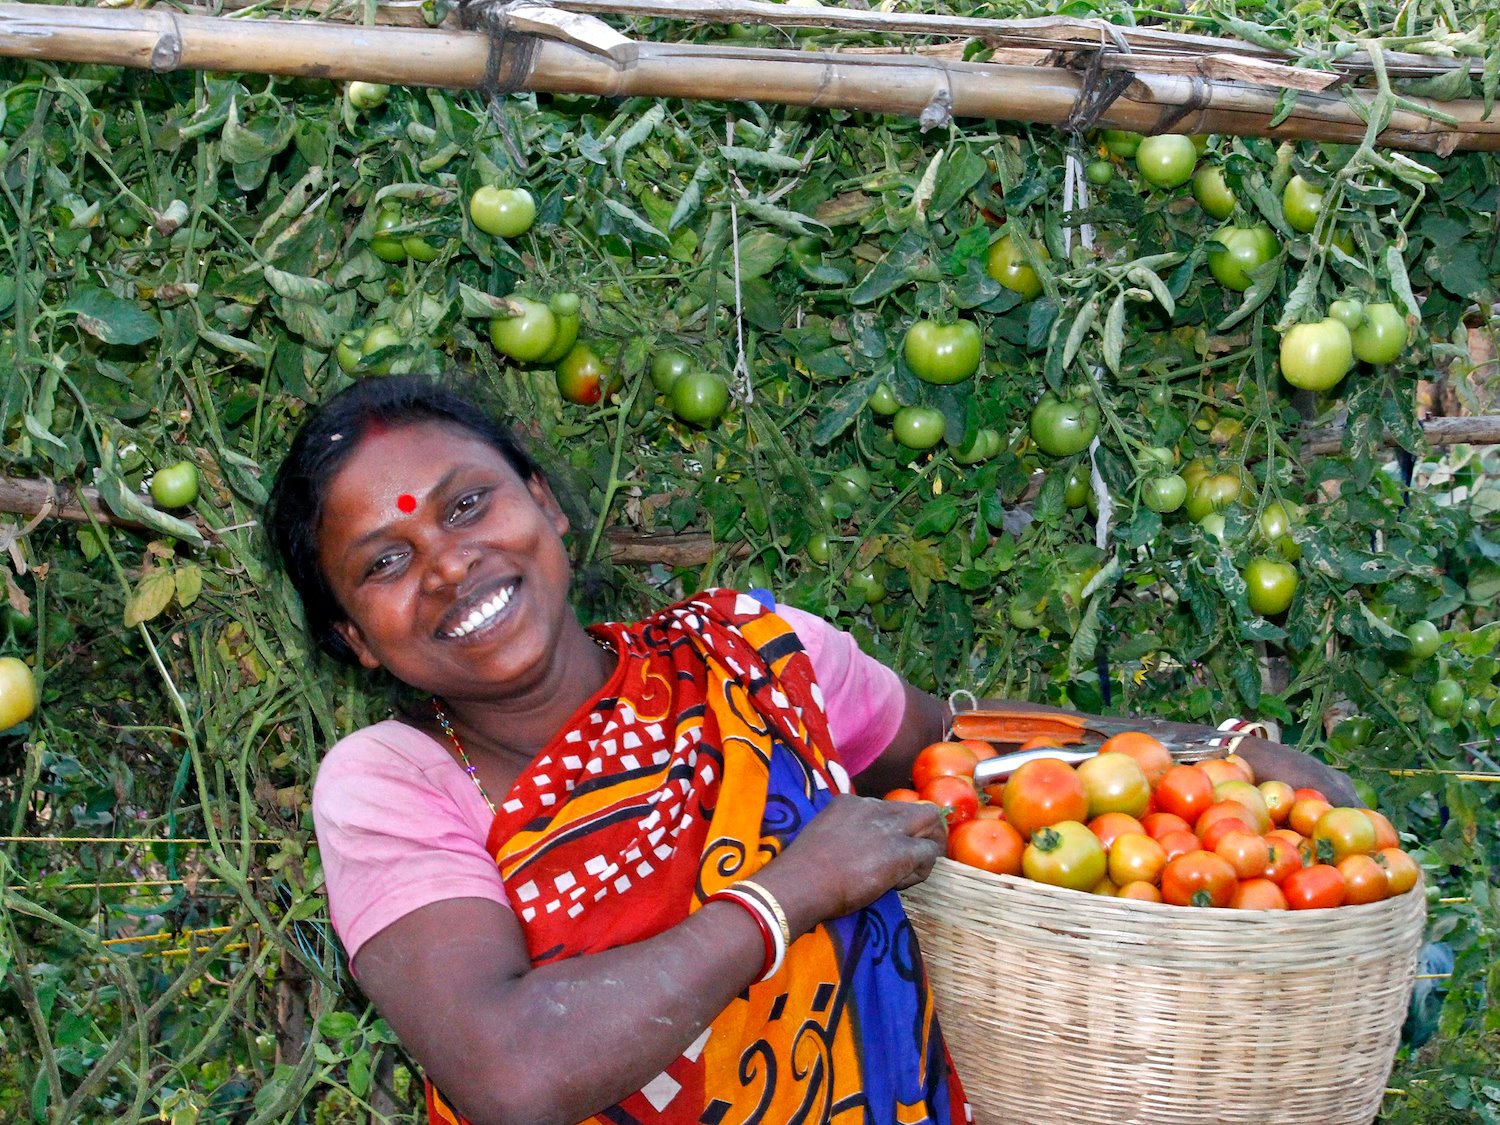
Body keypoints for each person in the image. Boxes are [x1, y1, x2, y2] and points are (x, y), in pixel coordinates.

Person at [266, 374, 1355, 1125]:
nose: (451, 565)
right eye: (385, 562)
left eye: (468, 506)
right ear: (356, 640)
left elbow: (969, 751)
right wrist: (795, 893)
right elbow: (510, 1070)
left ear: (545, 506)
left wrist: (1215, 751)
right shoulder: (392, 786)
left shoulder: (751, 654)